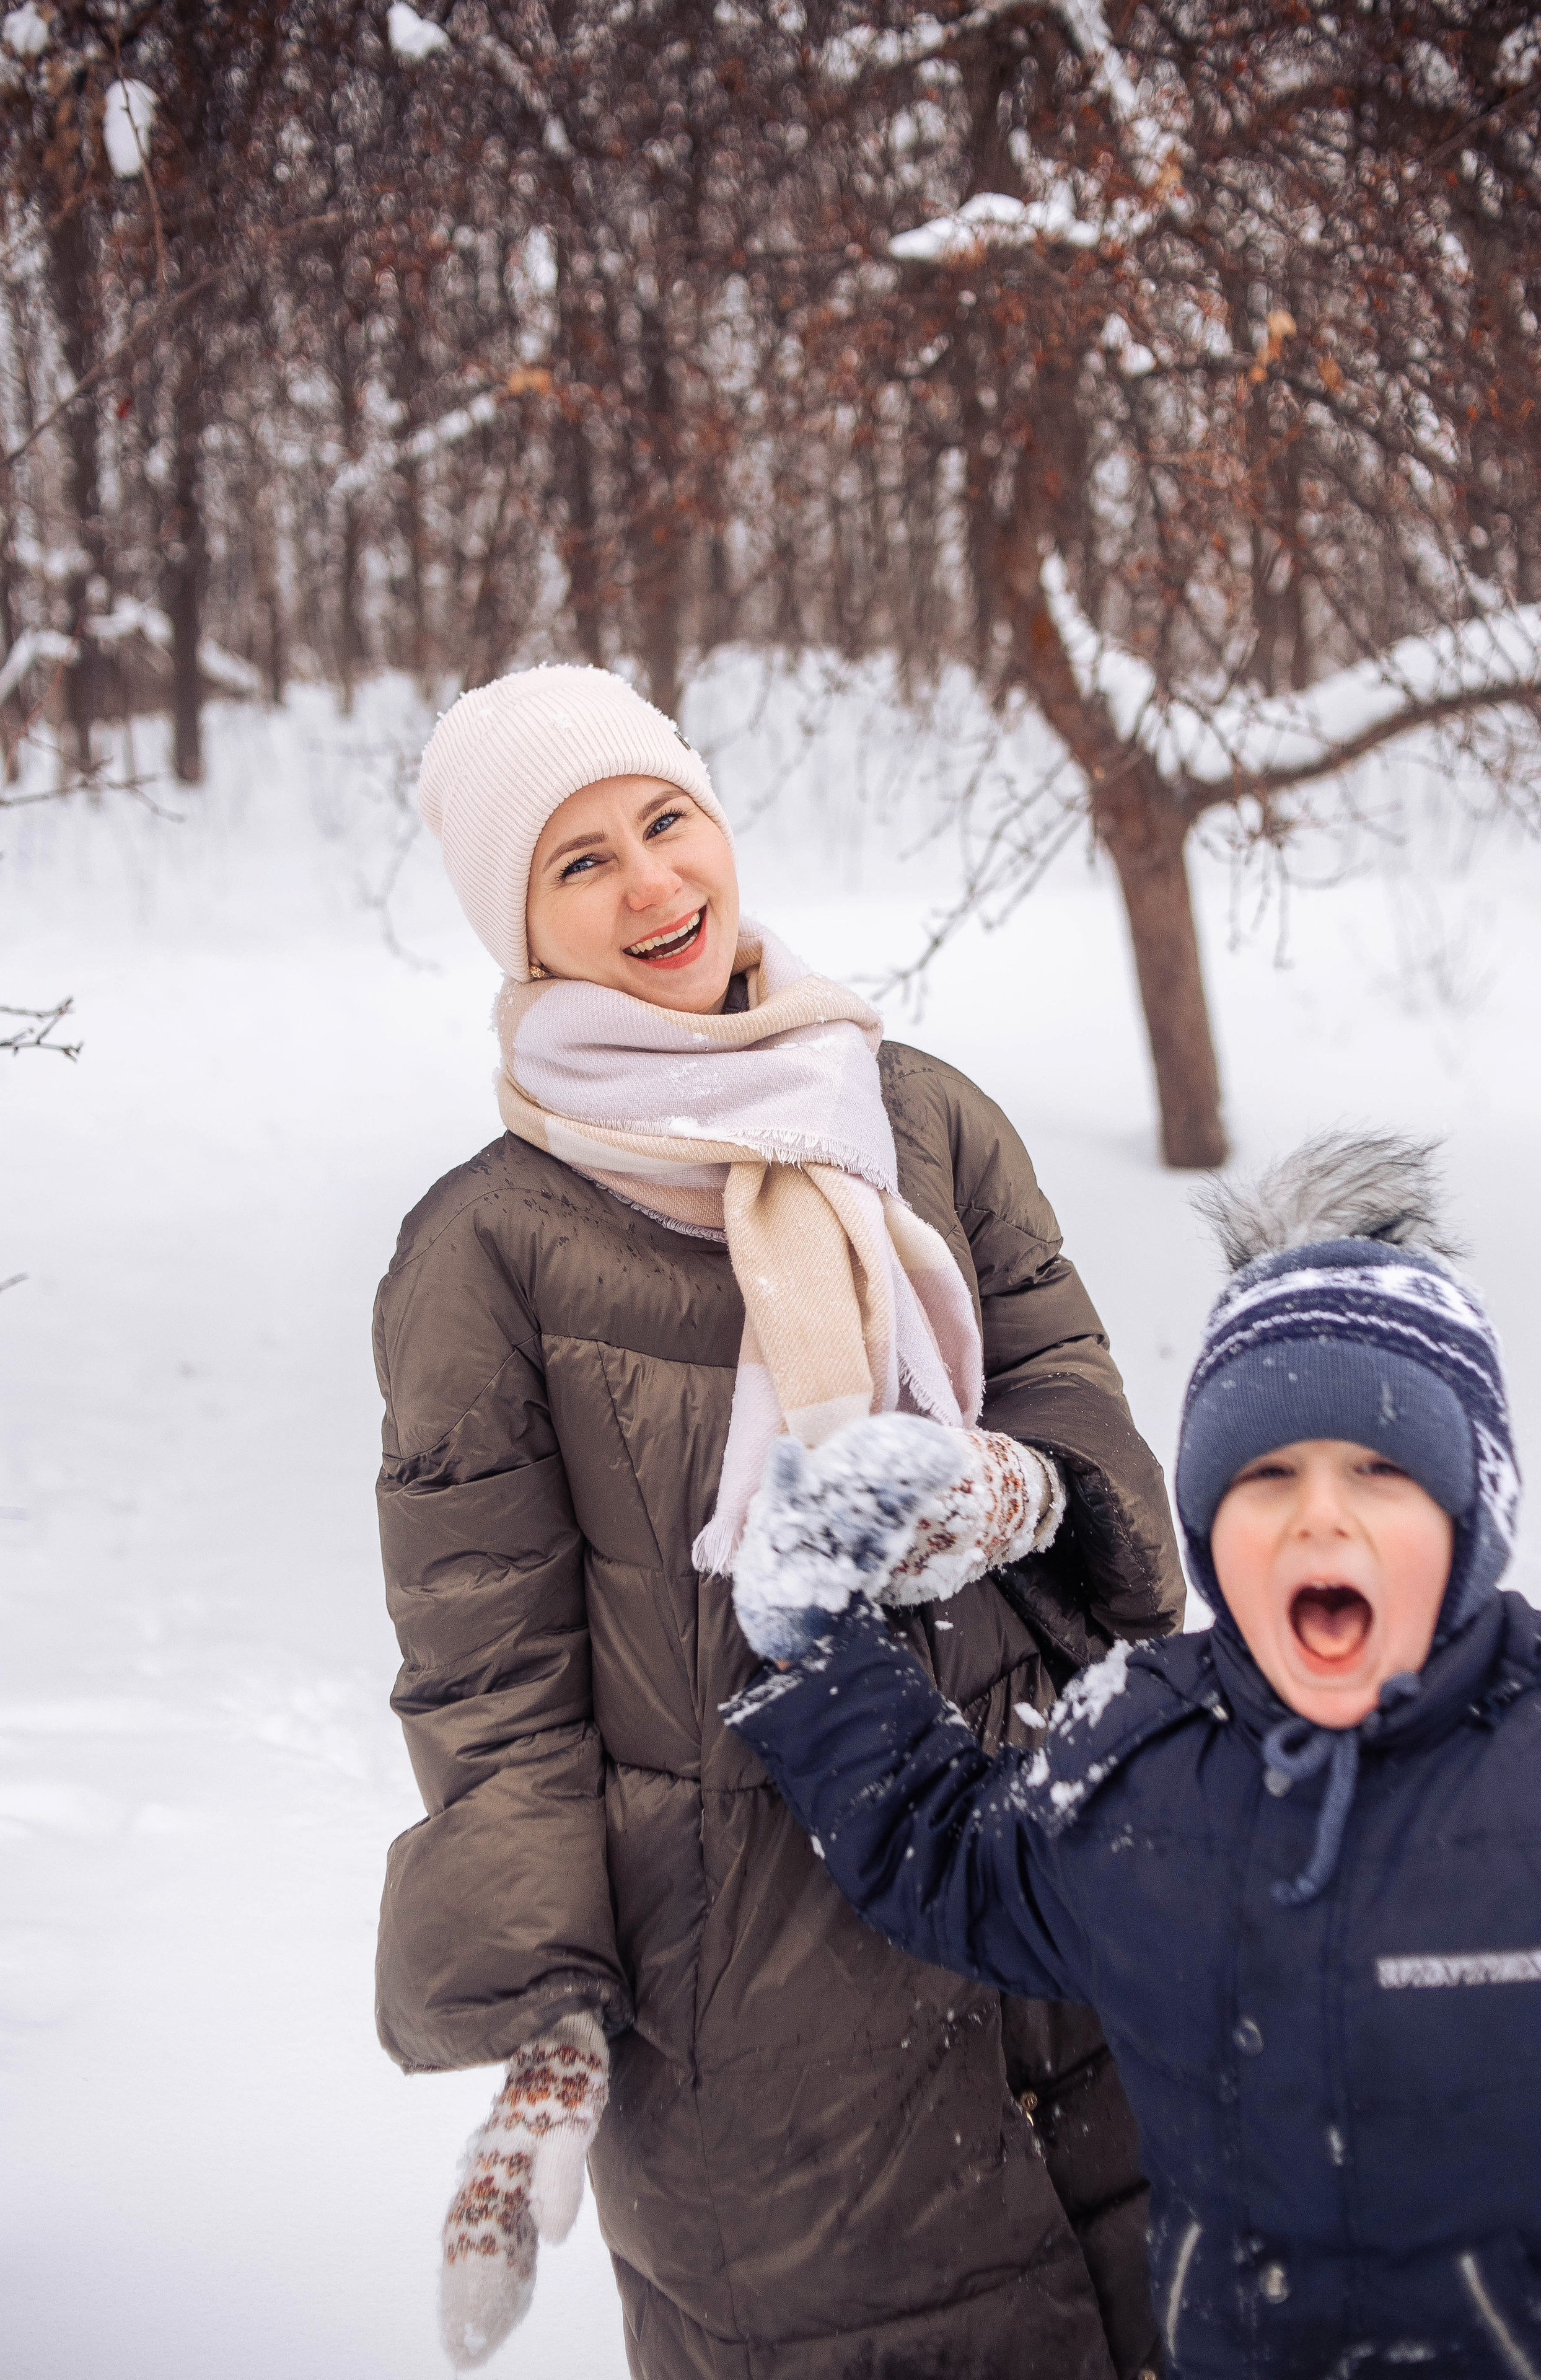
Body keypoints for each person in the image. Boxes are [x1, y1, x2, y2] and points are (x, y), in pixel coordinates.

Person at [372, 663, 1185, 2378]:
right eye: (577, 862)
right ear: (513, 925)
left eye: (669, 821)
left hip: (1063, 1905)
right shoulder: (486, 1253)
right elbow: (490, 1682)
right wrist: (547, 2032)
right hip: (761, 2044)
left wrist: (1023, 1487)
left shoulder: (917, 1115)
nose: (654, 885)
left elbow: (1081, 1412)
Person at [726, 1134, 1541, 2378]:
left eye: (1382, 1470)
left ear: (1472, 1518)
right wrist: (815, 1648)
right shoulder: (1138, 1756)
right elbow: (953, 1864)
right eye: (1266, 1473)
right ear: (1205, 1523)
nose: (1319, 1513)